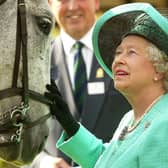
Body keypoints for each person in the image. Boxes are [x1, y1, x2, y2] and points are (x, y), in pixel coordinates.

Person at [44, 2, 168, 168]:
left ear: (160, 68)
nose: (118, 60)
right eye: (118, 52)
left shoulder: (164, 125)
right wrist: (71, 126)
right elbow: (106, 161)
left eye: (131, 52)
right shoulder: (130, 118)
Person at [26, 0, 131, 168]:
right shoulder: (33, 63)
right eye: (63, 0)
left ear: (96, 2)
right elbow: (19, 135)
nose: (73, 6)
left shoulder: (127, 55)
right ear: (49, 4)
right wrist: (42, 162)